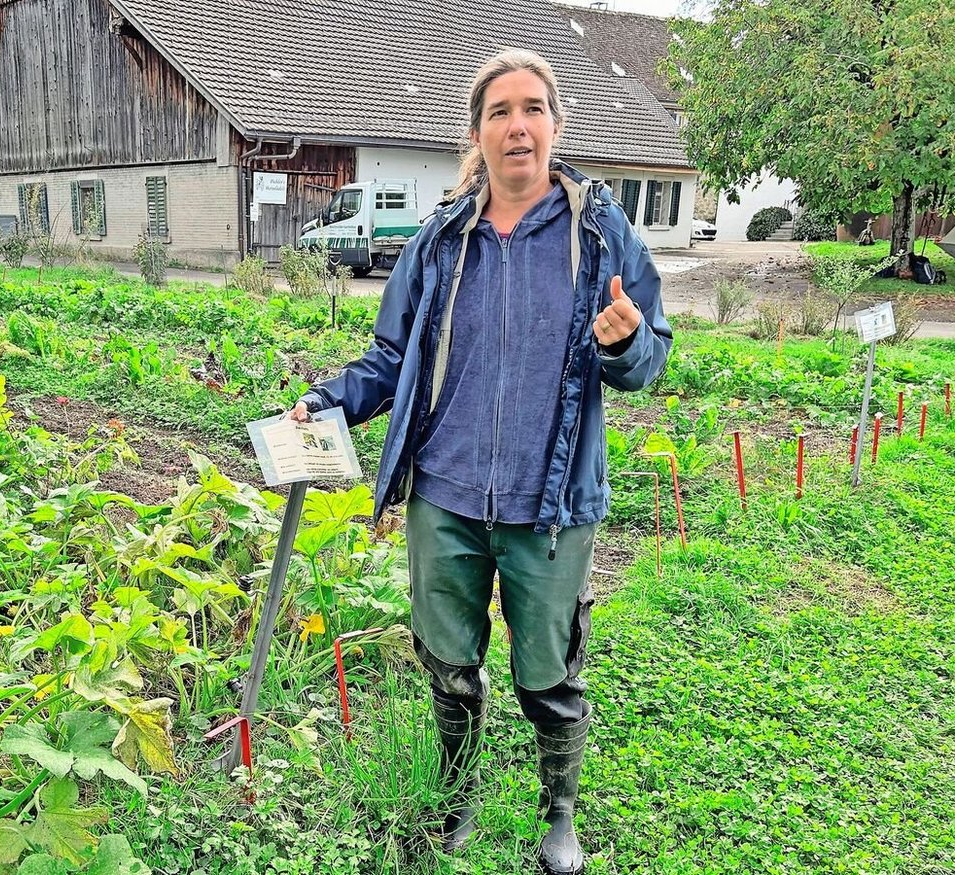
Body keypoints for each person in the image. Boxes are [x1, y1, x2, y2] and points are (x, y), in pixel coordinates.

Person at [288, 49, 672, 874]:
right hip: (446, 497)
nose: (517, 125)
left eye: (532, 108)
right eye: (499, 111)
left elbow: (651, 358)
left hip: (551, 501)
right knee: (449, 661)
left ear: (556, 127)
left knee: (548, 673)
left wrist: (628, 341)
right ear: (478, 133)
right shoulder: (439, 242)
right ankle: (455, 796)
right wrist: (328, 399)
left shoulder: (599, 233)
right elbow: (391, 356)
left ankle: (558, 814)